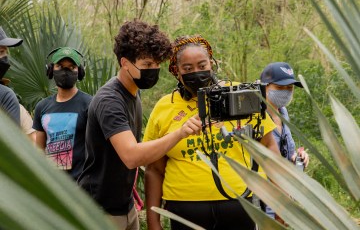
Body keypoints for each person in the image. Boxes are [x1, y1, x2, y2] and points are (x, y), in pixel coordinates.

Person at [144, 35, 280, 230]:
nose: (196, 73)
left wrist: (281, 206)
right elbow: (154, 169)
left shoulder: (239, 94)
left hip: (239, 204)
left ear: (212, 63)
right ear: (176, 71)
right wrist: (153, 221)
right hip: (185, 210)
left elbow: (269, 148)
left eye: (202, 65)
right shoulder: (165, 107)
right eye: (188, 69)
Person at [77, 20, 202, 230]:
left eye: (156, 64)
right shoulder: (110, 100)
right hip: (99, 211)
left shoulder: (134, 92)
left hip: (125, 207)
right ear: (125, 63)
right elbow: (132, 156)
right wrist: (180, 133)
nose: (153, 70)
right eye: (146, 65)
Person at [33, 47, 92, 181]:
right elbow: (39, 151)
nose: (65, 72)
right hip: (53, 185)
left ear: (80, 72)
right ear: (51, 70)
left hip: (81, 187)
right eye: (60, 66)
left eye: (71, 67)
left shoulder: (90, 105)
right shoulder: (42, 107)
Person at [260, 62, 310, 220]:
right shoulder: (254, 117)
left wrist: (296, 157)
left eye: (290, 88)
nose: (286, 92)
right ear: (264, 87)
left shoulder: (283, 112)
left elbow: (283, 151)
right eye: (280, 88)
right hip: (263, 198)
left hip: (286, 197)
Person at [0, 26, 22, 124]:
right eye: (1, 52)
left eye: (5, 52)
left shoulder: (5, 95)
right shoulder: (5, 96)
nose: (5, 57)